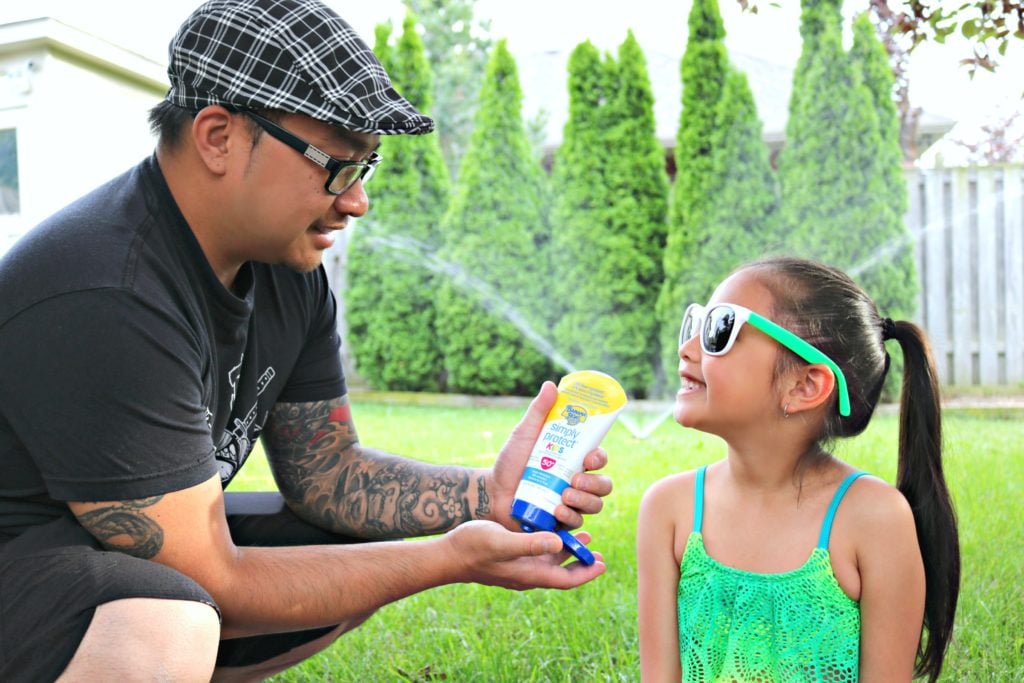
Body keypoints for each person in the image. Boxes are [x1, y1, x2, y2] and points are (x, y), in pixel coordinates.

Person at [0, 1, 613, 680]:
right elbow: (216, 583)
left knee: (337, 545)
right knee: (166, 613)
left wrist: (487, 494)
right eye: (337, 165)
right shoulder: (107, 291)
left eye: (365, 167)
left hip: (66, 574)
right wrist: (449, 558)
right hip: (20, 567)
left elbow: (327, 476)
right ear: (218, 137)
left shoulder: (287, 269)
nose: (355, 201)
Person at [637, 256, 960, 682]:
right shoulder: (669, 510)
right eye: (695, 324)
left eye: (720, 330)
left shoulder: (874, 518)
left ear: (805, 385)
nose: (687, 348)